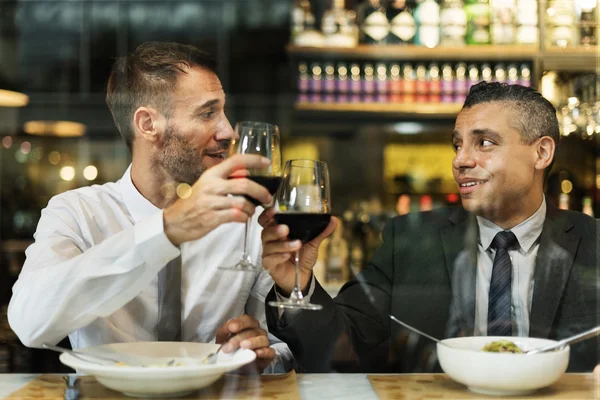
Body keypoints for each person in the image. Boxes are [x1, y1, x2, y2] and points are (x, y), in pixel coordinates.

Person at [260, 82, 598, 373]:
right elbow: (340, 347)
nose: (460, 160)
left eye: (484, 143)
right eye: (457, 144)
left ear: (541, 153)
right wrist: (297, 284)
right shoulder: (409, 239)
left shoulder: (594, 244)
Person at [8, 41, 291, 373]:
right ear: (147, 124)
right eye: (207, 113)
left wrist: (257, 353)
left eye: (223, 111)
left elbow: (280, 350)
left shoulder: (246, 221)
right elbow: (29, 323)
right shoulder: (77, 214)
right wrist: (165, 231)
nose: (228, 131)